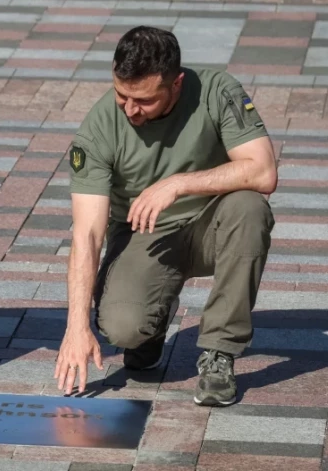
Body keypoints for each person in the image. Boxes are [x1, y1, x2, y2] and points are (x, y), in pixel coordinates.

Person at [54, 26, 277, 407]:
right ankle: (154, 321)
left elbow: (263, 172)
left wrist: (178, 183)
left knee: (250, 207)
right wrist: (75, 326)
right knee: (123, 329)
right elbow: (87, 235)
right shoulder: (99, 128)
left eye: (143, 101)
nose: (129, 109)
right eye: (121, 94)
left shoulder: (216, 92)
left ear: (176, 84)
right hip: (145, 235)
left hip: (215, 222)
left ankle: (219, 352)